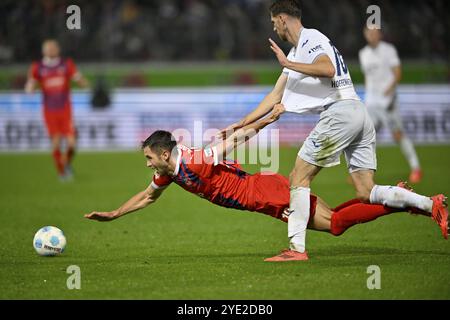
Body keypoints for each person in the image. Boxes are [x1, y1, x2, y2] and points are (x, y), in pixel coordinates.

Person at [218, 0, 447, 261]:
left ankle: (296, 250)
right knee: (365, 190)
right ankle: (430, 204)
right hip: (357, 112)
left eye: (273, 22)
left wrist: (288, 63)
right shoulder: (296, 52)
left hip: (340, 113)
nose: (274, 28)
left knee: (298, 177)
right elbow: (275, 95)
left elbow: (328, 68)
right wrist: (242, 122)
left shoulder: (310, 39)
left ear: (282, 19)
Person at [85, 116, 447, 258]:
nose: (148, 164)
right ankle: (400, 199)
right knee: (335, 220)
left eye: (149, 158)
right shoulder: (171, 171)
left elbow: (233, 141)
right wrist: (116, 213)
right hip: (265, 195)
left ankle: (410, 202)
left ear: (164, 153)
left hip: (268, 194)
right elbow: (148, 195)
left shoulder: (195, 159)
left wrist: (266, 119)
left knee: (335, 225)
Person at [359, 27, 422, 184]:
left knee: (398, 135)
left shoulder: (389, 50)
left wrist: (390, 91)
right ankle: (364, 173)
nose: (372, 36)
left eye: (374, 33)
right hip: (372, 103)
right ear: (365, 35)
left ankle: (416, 168)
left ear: (379, 34)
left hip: (388, 102)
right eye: (369, 33)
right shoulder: (363, 54)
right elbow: (369, 78)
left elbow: (397, 72)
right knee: (368, 137)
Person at [25, 39, 89, 181]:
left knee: (72, 143)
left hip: (65, 110)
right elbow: (30, 85)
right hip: (49, 111)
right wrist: (30, 88)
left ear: (58, 49)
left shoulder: (66, 64)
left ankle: (65, 162)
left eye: (53, 47)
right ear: (44, 51)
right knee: (56, 142)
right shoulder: (37, 67)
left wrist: (84, 83)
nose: (51, 49)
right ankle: (62, 173)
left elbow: (79, 78)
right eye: (48, 47)